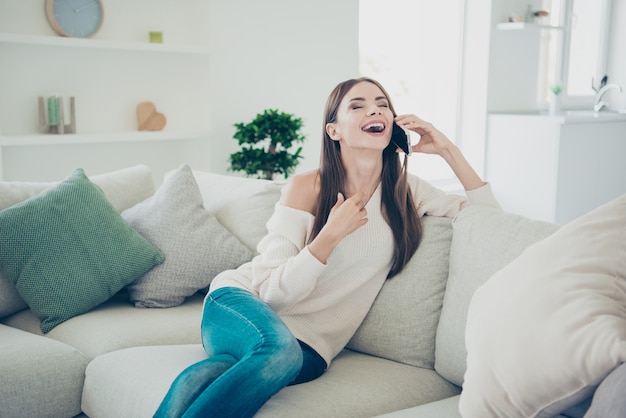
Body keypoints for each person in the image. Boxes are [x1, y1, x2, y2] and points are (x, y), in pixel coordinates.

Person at [153, 77, 500, 418]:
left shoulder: (406, 191)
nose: (374, 111)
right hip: (241, 303)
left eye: (382, 104)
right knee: (277, 351)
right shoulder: (308, 187)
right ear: (334, 131)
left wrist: (447, 151)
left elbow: (491, 222)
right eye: (358, 105)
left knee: (206, 377)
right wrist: (330, 236)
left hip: (312, 350)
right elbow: (272, 294)